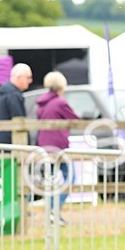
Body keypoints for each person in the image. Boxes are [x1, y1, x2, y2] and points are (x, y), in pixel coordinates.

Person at [34, 71, 77, 224]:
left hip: (44, 147)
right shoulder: (60, 102)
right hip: (58, 147)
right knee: (70, 178)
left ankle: (51, 212)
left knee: (51, 182)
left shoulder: (41, 103)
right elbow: (75, 119)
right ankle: (54, 210)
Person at [0, 63, 33, 144]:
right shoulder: (13, 95)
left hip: (2, 140)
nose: (30, 81)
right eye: (28, 77)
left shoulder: (5, 92)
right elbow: (19, 120)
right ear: (19, 77)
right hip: (11, 142)